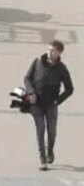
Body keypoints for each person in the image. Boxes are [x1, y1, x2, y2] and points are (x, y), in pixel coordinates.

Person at [24, 40, 74, 170]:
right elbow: (27, 78)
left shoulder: (62, 69)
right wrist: (31, 92)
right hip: (37, 104)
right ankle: (43, 159)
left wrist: (58, 101)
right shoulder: (37, 62)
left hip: (52, 105)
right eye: (49, 49)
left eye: (53, 50)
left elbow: (70, 89)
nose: (49, 52)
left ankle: (50, 150)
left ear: (59, 53)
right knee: (40, 130)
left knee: (51, 132)